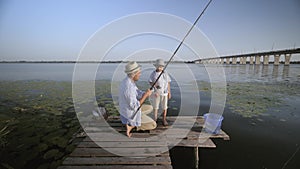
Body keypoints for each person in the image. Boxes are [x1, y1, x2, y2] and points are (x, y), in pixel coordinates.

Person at [119, 61, 157, 137]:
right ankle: (131, 126)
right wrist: (145, 96)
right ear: (133, 74)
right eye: (139, 73)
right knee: (153, 125)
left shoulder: (129, 81)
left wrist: (148, 94)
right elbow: (134, 106)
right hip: (129, 114)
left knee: (150, 107)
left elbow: (137, 92)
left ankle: (136, 120)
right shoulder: (128, 87)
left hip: (128, 109)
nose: (140, 74)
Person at [148, 59, 171, 126]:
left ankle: (164, 119)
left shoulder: (165, 73)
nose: (160, 68)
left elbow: (168, 82)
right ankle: (155, 119)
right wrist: (155, 85)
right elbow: (150, 81)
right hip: (156, 93)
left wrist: (169, 92)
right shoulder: (153, 73)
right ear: (156, 66)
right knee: (156, 107)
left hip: (165, 93)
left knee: (165, 107)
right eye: (158, 66)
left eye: (161, 66)